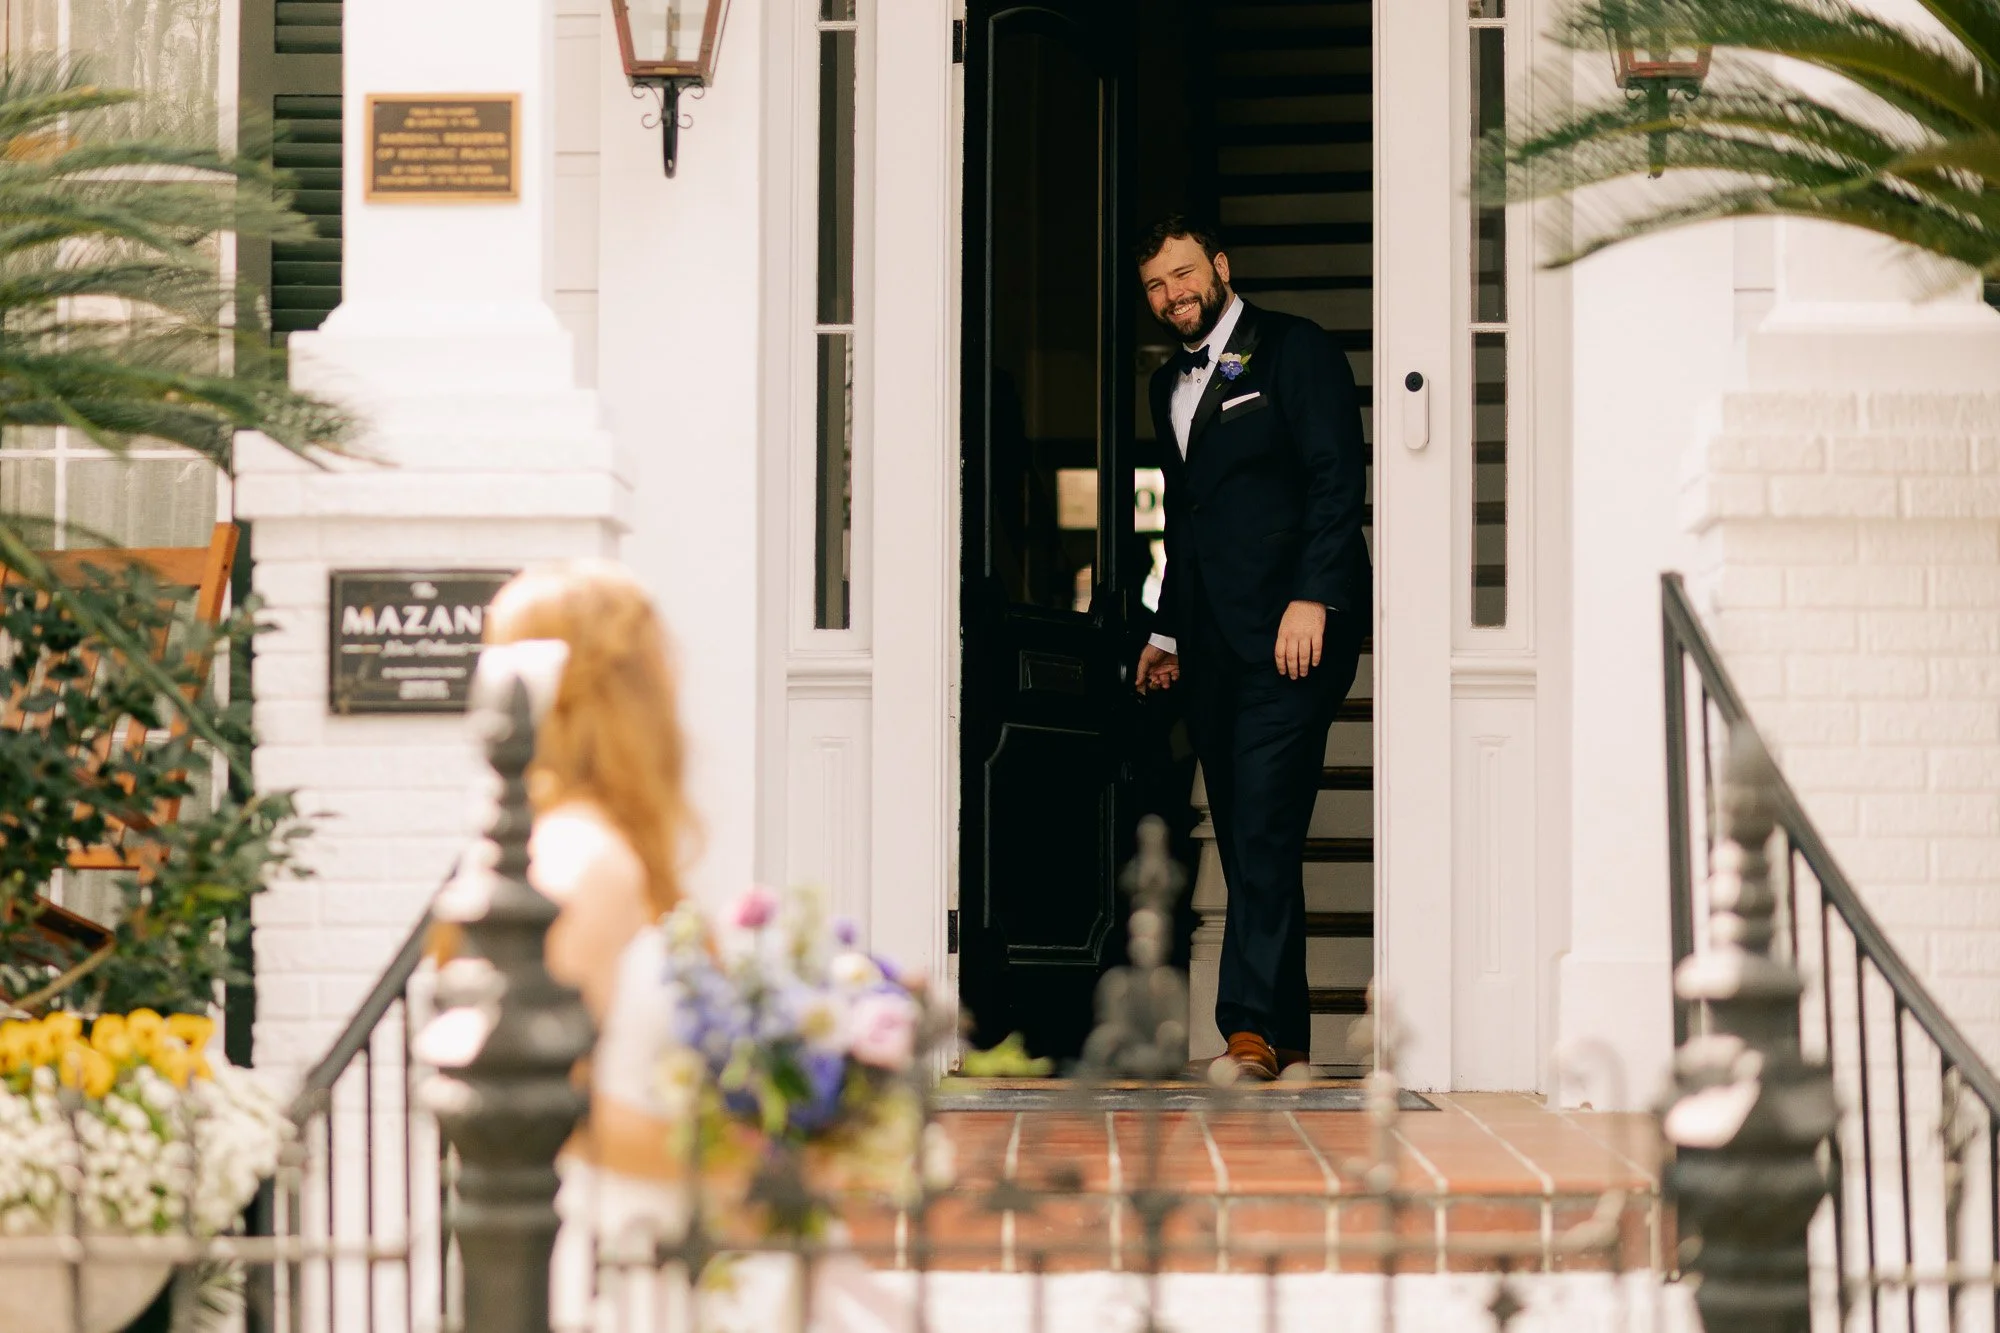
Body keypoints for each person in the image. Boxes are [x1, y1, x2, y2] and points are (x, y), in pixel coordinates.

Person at [473, 560, 904, 1332]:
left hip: (680, 1237)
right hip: (631, 1255)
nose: (673, 686)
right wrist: (750, 1172)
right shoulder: (585, 862)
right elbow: (547, 1107)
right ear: (620, 693)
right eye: (657, 663)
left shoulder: (607, 850)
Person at [1130, 216, 1372, 1083]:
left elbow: (1336, 477)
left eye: (1185, 275)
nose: (1173, 295)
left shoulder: (1292, 350)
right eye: (1157, 285)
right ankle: (1288, 1033)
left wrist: (1316, 594)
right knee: (1243, 831)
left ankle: (1245, 1031)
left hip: (1291, 636)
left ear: (1222, 268)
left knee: (1264, 823)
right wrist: (1165, 629)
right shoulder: (1173, 386)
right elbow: (1185, 520)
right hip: (1210, 640)